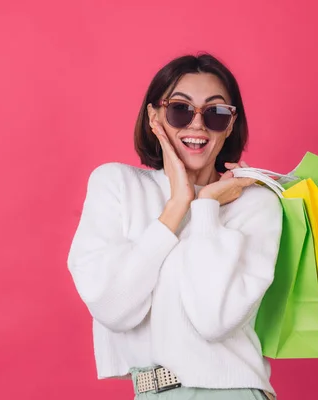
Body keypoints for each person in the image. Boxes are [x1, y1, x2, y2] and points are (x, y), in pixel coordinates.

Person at [67, 53, 282, 400]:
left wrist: (207, 208)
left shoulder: (256, 204)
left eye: (215, 113)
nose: (197, 125)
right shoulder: (118, 184)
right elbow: (113, 308)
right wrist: (178, 204)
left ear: (229, 125)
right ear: (154, 116)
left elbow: (213, 320)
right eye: (180, 109)